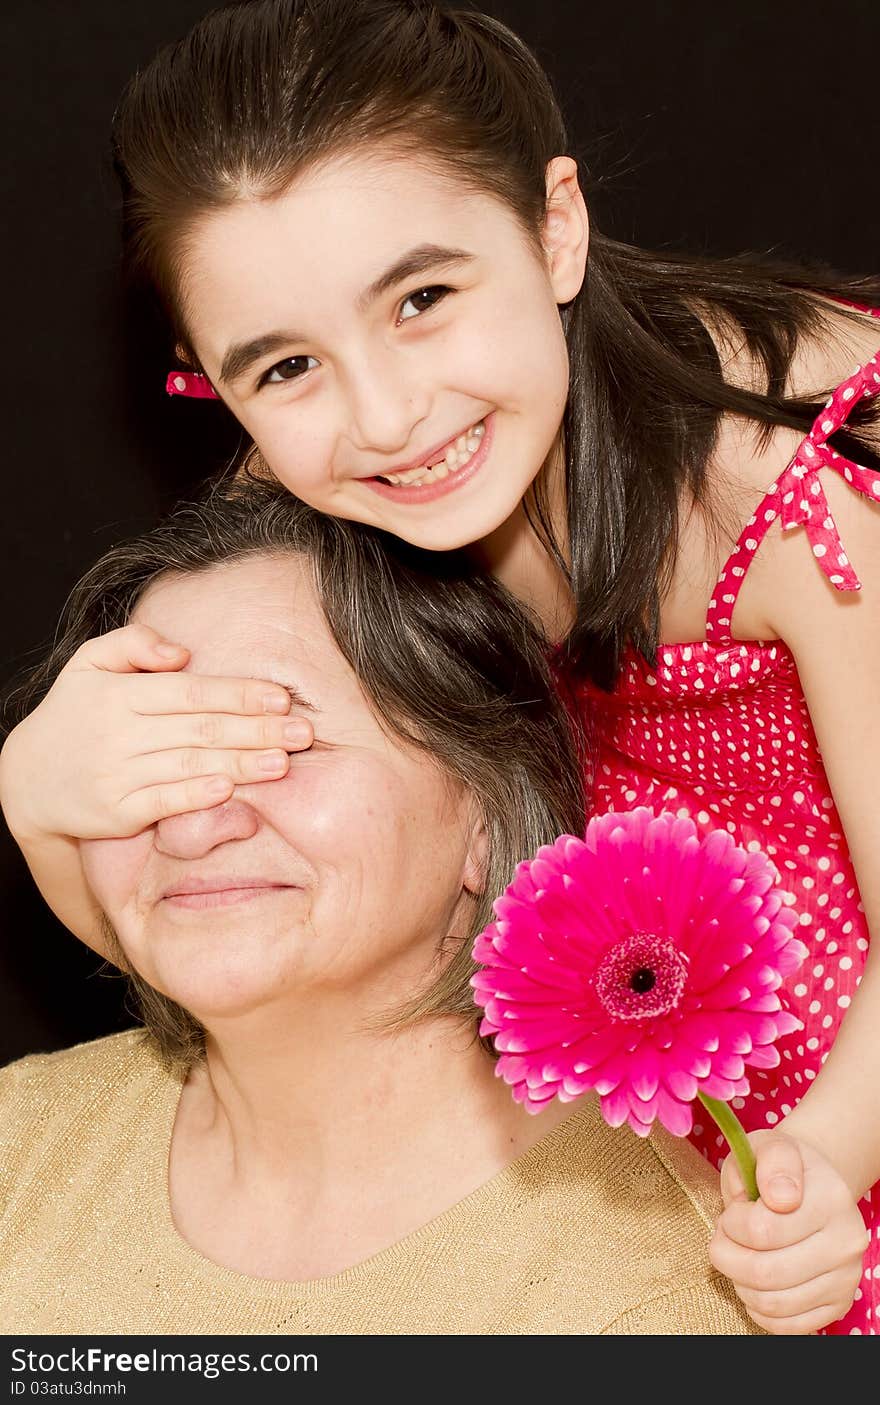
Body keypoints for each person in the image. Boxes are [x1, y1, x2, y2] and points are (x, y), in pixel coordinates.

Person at [0, 0, 876, 1335]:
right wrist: (36, 790)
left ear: (554, 226)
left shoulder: (797, 468)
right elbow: (185, 914)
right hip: (619, 1138)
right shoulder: (296, 507)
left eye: (421, 298)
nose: (388, 416)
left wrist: (826, 1157)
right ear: (214, 382)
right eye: (287, 364)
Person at [0, 479, 762, 1335]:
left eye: (283, 742)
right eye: (146, 755)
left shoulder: (649, 1301)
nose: (194, 822)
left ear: (485, 807)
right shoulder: (19, 1139)